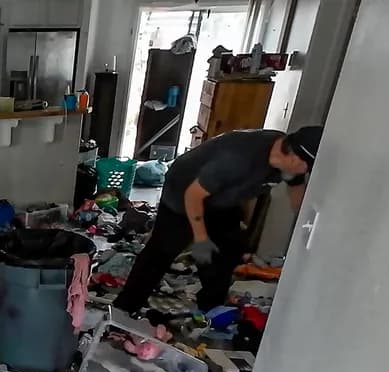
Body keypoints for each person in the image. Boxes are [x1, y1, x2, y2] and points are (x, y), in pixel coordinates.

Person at [113, 125, 323, 313]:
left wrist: (309, 231)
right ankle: (125, 308)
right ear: (296, 159)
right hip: (184, 190)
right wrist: (201, 238)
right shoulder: (238, 158)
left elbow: (298, 195)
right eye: (309, 168)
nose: (308, 172)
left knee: (229, 249)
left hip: (221, 199)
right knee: (163, 250)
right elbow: (193, 195)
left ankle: (211, 307)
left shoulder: (288, 158)